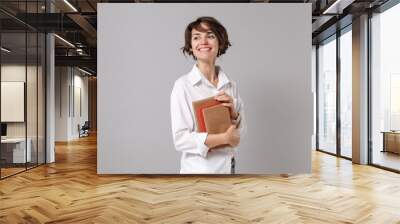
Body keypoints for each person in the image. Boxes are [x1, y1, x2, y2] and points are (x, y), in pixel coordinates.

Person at [170, 16, 245, 174]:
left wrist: (234, 113)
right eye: (196, 37)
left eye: (210, 36)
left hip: (229, 168)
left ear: (220, 43)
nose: (203, 41)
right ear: (191, 47)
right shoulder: (183, 86)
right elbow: (180, 139)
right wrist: (223, 139)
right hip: (198, 172)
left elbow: (239, 135)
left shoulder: (231, 85)